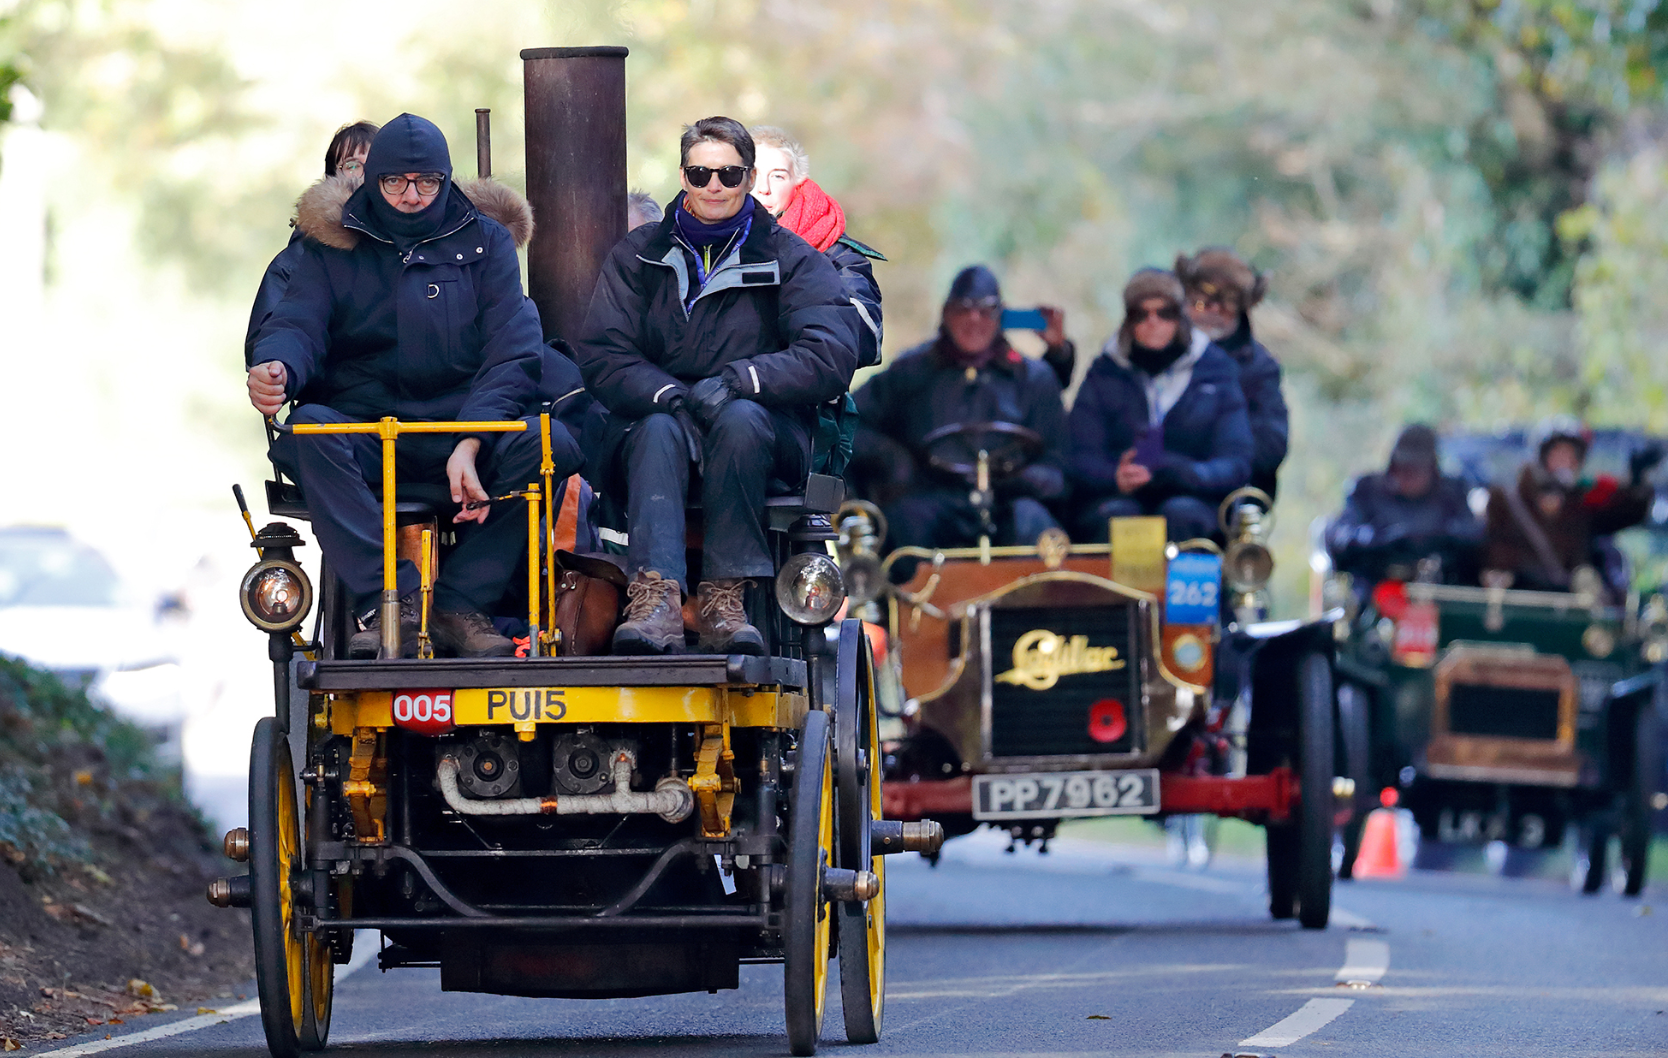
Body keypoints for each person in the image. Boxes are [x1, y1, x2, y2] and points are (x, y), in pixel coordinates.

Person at [248, 113, 579, 658]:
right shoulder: (331, 245)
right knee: (308, 430)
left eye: (426, 181)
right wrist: (276, 367)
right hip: (368, 432)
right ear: (373, 181)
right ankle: (388, 596)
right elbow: (295, 323)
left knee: (552, 444)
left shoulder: (488, 242)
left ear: (446, 179)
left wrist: (470, 442)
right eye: (395, 182)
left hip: (465, 430)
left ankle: (458, 601)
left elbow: (514, 351)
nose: (411, 195)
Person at [576, 116, 858, 656]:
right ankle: (655, 597)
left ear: (749, 179)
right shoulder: (638, 254)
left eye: (728, 175)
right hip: (657, 418)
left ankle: (726, 599)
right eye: (700, 173)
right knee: (655, 428)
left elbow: (830, 353)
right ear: (683, 177)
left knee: (740, 419)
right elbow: (604, 353)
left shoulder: (791, 257)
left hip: (763, 423)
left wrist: (742, 380)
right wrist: (668, 394)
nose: (713, 186)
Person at [851, 265, 1067, 551]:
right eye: (963, 309)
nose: (973, 319)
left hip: (1010, 496)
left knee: (1034, 523)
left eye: (985, 310)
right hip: (933, 493)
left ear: (1000, 314)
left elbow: (1060, 458)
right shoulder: (912, 370)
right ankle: (908, 596)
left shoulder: (1033, 377)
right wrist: (893, 458)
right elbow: (851, 421)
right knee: (905, 522)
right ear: (946, 313)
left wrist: (1029, 479)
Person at [1067, 268, 1252, 542]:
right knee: (1117, 518)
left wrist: (1177, 472)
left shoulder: (1216, 370)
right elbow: (1076, 456)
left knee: (1182, 514)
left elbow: (1236, 462)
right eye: (1141, 314)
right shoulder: (1104, 373)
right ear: (1128, 322)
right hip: (1117, 502)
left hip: (1194, 503)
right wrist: (1114, 477)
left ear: (1180, 318)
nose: (1153, 322)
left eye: (1164, 313)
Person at [748, 125, 885, 368]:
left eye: (778, 176)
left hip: (808, 397)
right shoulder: (708, 242)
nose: (764, 188)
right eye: (754, 175)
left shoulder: (837, 254)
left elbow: (867, 339)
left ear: (798, 183)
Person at [244, 121, 378, 366]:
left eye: (376, 164)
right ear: (331, 178)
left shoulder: (414, 242)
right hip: (333, 396)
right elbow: (262, 346)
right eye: (352, 165)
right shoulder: (301, 257)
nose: (365, 175)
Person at [1481, 417, 1659, 594]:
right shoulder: (1508, 500)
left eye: (1571, 455)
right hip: (1522, 598)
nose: (1565, 461)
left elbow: (1622, 515)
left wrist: (1637, 482)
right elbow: (1495, 549)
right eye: (1558, 453)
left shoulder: (1581, 501)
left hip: (1571, 601)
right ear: (1542, 456)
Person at [1176, 247, 1289, 498]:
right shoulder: (1154, 355)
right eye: (1201, 302)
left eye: (1227, 303)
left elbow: (1271, 447)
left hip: (1229, 493)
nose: (1213, 311)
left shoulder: (1259, 368)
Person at [1326, 424, 1482, 588]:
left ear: (1432, 469)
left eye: (1416, 469)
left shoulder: (1452, 494)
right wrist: (1382, 539)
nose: (1408, 476)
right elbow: (1340, 538)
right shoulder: (1366, 491)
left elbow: (1473, 536)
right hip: (1375, 588)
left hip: (1439, 590)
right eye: (1402, 467)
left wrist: (1436, 539)